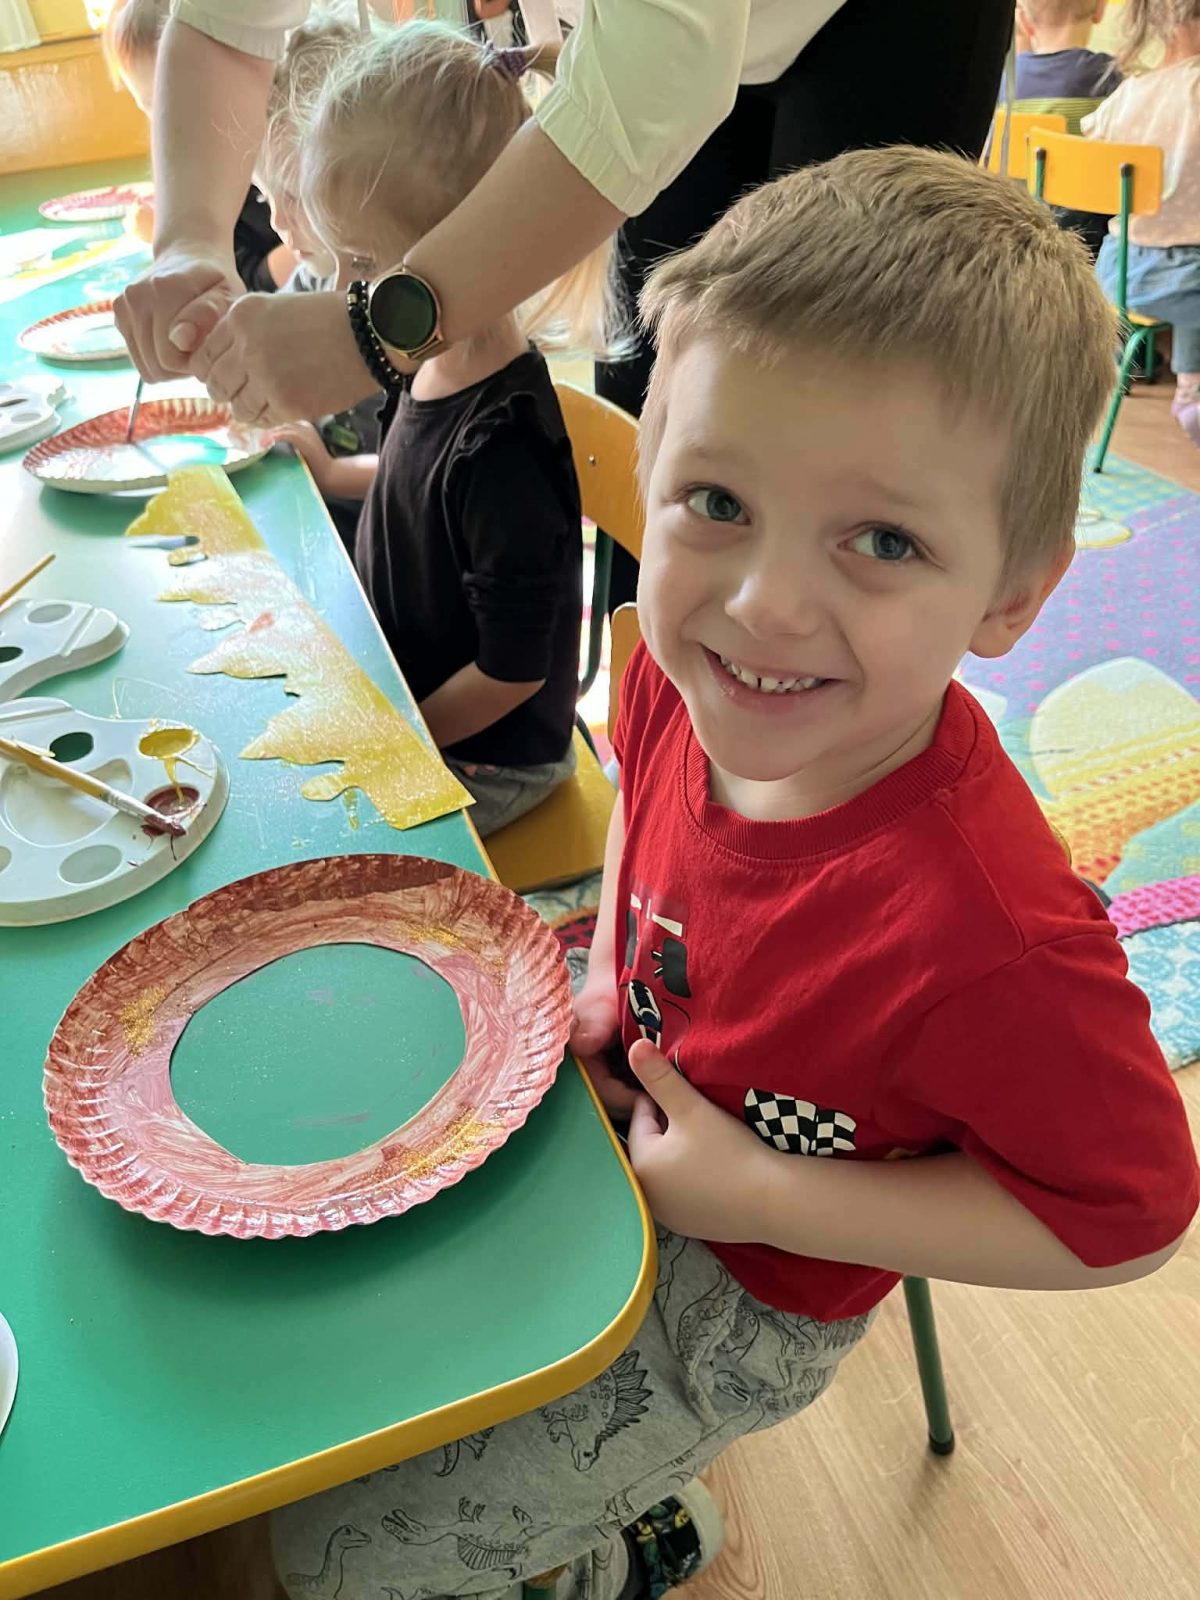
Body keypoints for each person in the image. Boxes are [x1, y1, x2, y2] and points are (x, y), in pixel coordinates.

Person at [270, 148, 1199, 1600]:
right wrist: (599, 967)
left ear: (1014, 595)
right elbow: (642, 804)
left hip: (752, 1282)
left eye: (883, 540)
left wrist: (762, 1191)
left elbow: (1126, 1221)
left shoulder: (992, 935)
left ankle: (613, 1551)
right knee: (320, 1289)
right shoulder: (680, 669)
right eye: (715, 501)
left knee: (337, 1561)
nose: (763, 606)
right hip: (631, 1106)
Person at [112, 0, 1013, 475]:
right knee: (650, 387)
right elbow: (225, 28)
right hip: (668, 42)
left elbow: (661, 72)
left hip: (877, 21)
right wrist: (188, 239)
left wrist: (378, 328)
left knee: (831, 407)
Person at [297, 22, 613, 833]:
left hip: (491, 756)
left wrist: (397, 735)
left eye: (362, 264)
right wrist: (334, 474)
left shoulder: (505, 446)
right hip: (412, 697)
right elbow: (417, 486)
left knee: (315, 838)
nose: (342, 293)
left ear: (467, 247)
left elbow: (510, 675)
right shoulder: (423, 362)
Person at [253, 9, 384, 552]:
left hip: (384, 537)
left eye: (295, 196)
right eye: (264, 195)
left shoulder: (408, 307)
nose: (277, 222)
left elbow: (426, 463)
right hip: (323, 521)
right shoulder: (313, 277)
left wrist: (331, 472)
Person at [102, 0, 296, 294]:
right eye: (156, 109)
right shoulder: (201, 184)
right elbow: (241, 279)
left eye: (185, 102)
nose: (173, 127)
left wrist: (319, 240)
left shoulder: (286, 144)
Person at [1085, 0, 1200, 448]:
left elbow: (1089, 154)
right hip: (1186, 282)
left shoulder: (1127, 94)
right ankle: (1190, 390)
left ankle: (1190, 388)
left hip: (1118, 275)